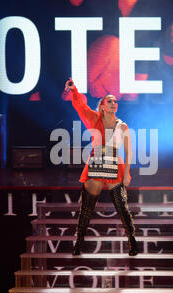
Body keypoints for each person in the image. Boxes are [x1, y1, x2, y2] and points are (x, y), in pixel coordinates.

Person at [65, 78, 138, 256]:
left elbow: (129, 152)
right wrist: (74, 91)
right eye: (110, 101)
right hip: (96, 163)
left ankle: (132, 243)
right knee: (86, 209)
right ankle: (78, 244)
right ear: (103, 105)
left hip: (115, 166)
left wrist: (127, 174)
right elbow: (81, 107)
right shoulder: (94, 118)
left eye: (115, 101)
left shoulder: (122, 126)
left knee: (122, 207)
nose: (114, 103)